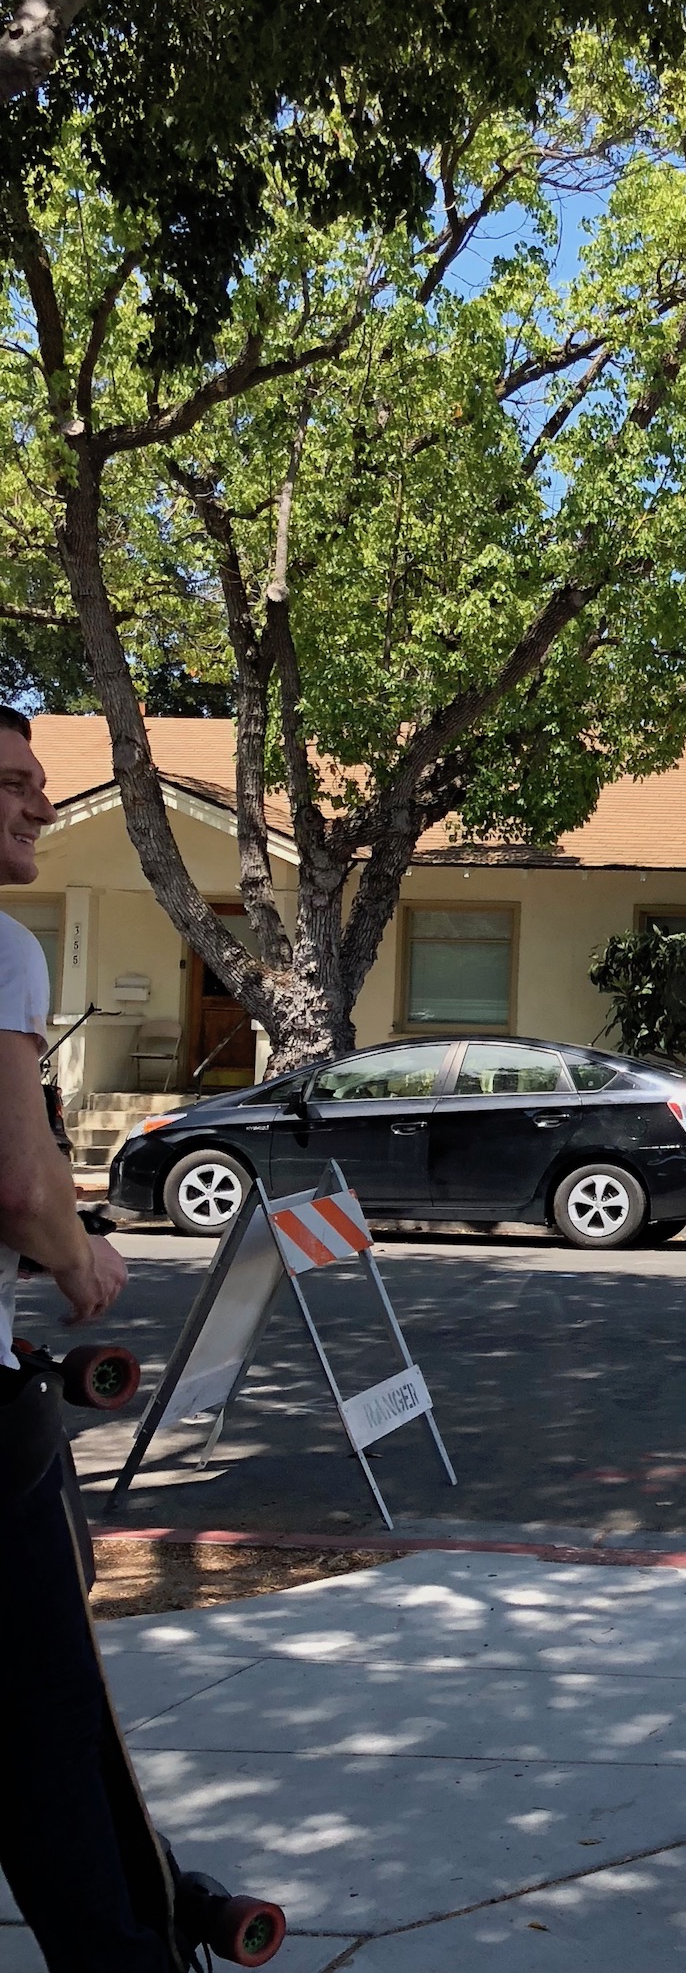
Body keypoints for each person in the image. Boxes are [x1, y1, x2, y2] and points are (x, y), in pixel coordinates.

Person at [0, 703, 171, 1970]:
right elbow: (15, 1175)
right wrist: (78, 1250)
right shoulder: (2, 948)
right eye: (10, 784)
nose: (37, 806)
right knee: (49, 1726)